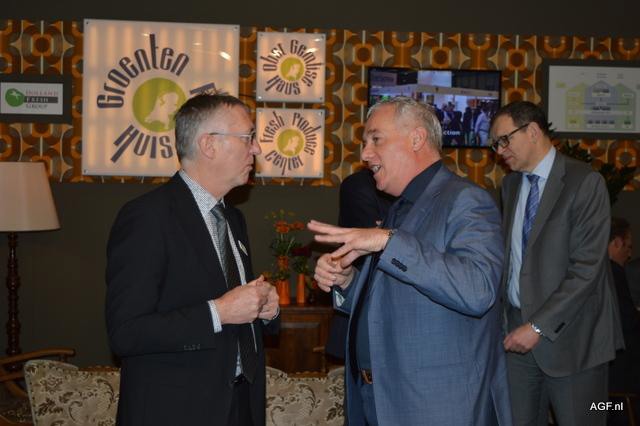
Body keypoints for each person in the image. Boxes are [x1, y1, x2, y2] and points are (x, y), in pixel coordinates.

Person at [310, 96, 512, 425]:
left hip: (433, 406)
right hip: (378, 399)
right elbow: (394, 298)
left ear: (417, 138)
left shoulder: (466, 200)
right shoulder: (400, 207)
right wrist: (347, 282)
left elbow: (478, 290)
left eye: (376, 139)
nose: (365, 154)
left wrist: (387, 241)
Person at [106, 93, 279, 426]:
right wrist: (219, 312)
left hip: (239, 406)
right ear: (209, 145)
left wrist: (265, 308)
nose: (257, 149)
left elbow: (235, 310)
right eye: (247, 138)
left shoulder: (233, 218)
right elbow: (126, 332)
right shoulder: (148, 217)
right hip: (175, 411)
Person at [492, 100, 623, 426]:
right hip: (516, 340)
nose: (499, 151)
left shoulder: (585, 182)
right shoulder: (510, 185)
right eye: (496, 144)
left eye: (504, 140)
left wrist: (537, 326)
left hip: (575, 341)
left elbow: (586, 270)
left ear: (533, 131)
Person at [324, 168, 395, 361]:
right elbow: (375, 244)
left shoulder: (433, 190)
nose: (367, 154)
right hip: (364, 317)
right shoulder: (361, 185)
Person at [607, 217, 640, 420]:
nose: (629, 254)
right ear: (616, 242)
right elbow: (628, 323)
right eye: (628, 247)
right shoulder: (614, 273)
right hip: (620, 372)